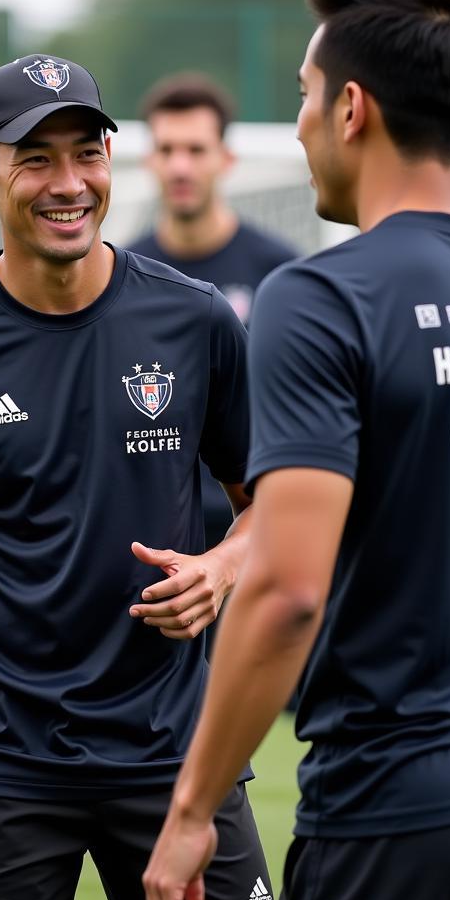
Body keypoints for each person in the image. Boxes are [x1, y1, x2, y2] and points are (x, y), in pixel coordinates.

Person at [144, 0, 450, 900]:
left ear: (351, 109)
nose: (299, 121)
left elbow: (284, 591)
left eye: (304, 94)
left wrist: (192, 810)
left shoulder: (320, 298)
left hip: (397, 808)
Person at [0, 53, 276, 900]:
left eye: (87, 153)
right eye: (35, 158)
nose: (68, 183)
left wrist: (224, 568)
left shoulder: (195, 323)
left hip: (172, 751)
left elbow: (267, 503)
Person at [129, 73, 298, 553]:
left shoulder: (281, 273)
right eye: (166, 149)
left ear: (226, 159)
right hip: (151, 537)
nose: (180, 166)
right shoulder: (119, 277)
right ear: (149, 160)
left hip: (256, 527)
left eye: (196, 150)